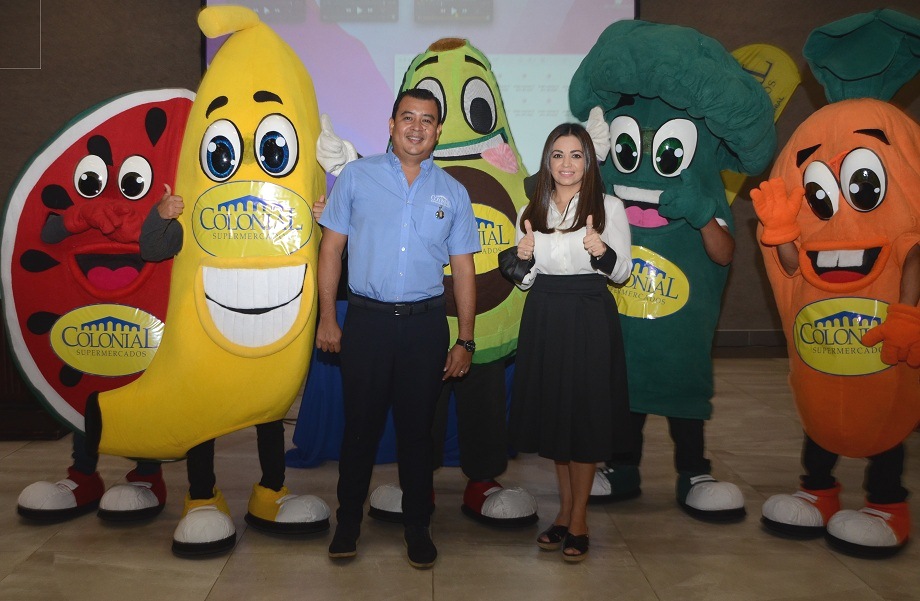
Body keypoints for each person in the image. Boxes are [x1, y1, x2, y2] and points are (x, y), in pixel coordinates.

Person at [316, 88, 480, 569]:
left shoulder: (453, 192)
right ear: (390, 124)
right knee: (359, 432)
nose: (416, 127)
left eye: (427, 120)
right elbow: (330, 250)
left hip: (424, 327)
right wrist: (329, 316)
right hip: (365, 324)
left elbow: (464, 270)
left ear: (438, 132)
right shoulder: (357, 177)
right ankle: (348, 523)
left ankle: (417, 527)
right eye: (407, 117)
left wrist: (465, 338)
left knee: (417, 436)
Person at [508, 123, 632, 562]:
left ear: (589, 160)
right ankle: (562, 514)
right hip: (543, 315)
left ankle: (578, 519)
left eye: (575, 154)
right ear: (547, 161)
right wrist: (521, 259)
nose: (566, 163)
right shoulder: (533, 207)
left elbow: (621, 273)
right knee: (557, 421)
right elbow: (523, 282)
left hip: (588, 317)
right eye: (557, 155)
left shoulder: (610, 206)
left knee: (583, 422)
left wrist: (600, 249)